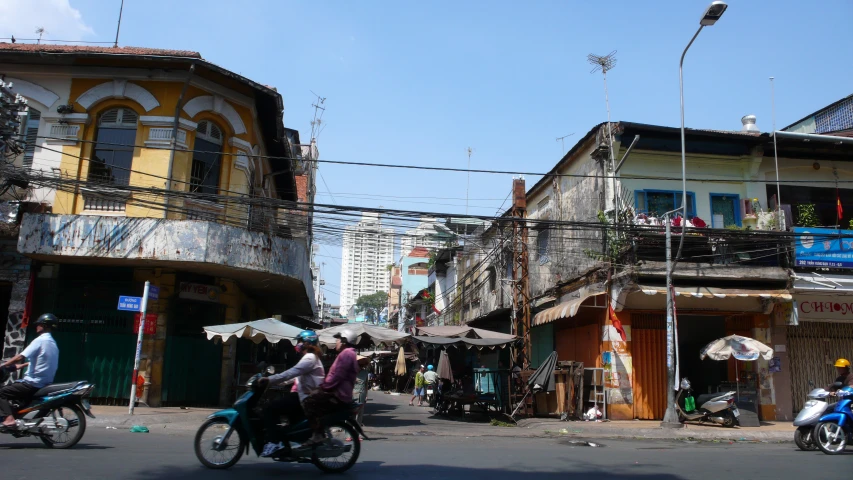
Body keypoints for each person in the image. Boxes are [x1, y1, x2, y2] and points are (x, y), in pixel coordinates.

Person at [256, 330, 326, 457]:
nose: (297, 344)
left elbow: (292, 372)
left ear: (306, 342)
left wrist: (270, 380)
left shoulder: (309, 358)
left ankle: (274, 442)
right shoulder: (311, 358)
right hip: (304, 395)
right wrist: (276, 383)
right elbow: (295, 377)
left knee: (269, 409)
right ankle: (287, 445)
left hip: (304, 398)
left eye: (299, 341)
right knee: (286, 419)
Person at [301, 329, 360, 446]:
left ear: (344, 341)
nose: (336, 342)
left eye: (338, 340)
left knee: (308, 402)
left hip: (338, 394)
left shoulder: (346, 354)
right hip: (339, 393)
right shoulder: (349, 353)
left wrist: (324, 388)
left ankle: (318, 434)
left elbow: (338, 375)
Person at [0, 313, 59, 429]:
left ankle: (9, 419)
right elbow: (39, 361)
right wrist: (22, 365)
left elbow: (20, 356)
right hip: (43, 382)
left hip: (32, 383)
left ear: (45, 326)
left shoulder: (40, 340)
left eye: (39, 324)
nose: (37, 326)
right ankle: (15, 417)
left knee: (1, 393)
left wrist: (3, 365)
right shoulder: (52, 343)